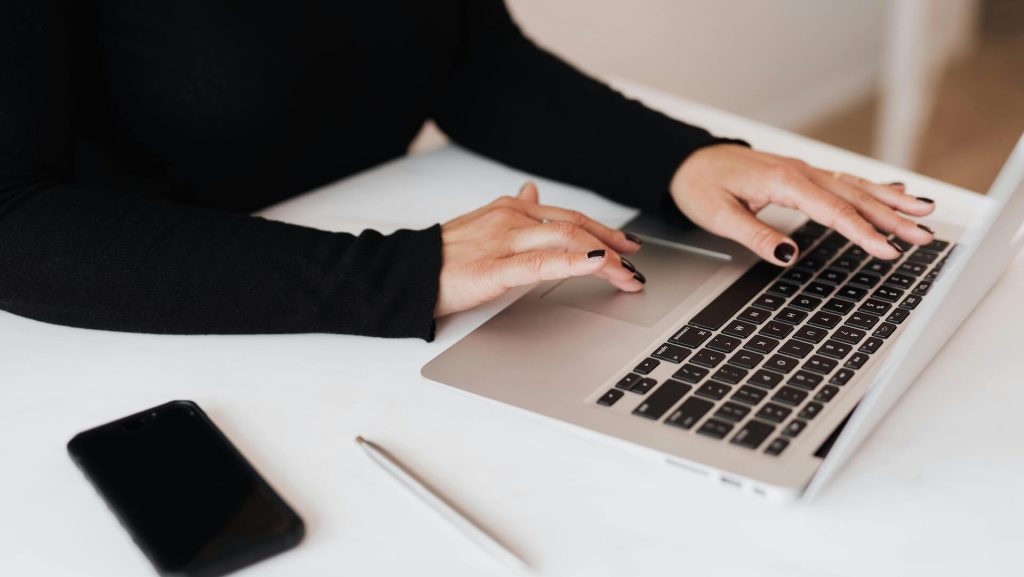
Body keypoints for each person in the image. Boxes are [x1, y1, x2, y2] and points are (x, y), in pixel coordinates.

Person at [0, 0, 935, 341]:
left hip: (356, 294)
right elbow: (14, 222)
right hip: (129, 323)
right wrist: (402, 274)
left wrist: (684, 159)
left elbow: (463, 54)